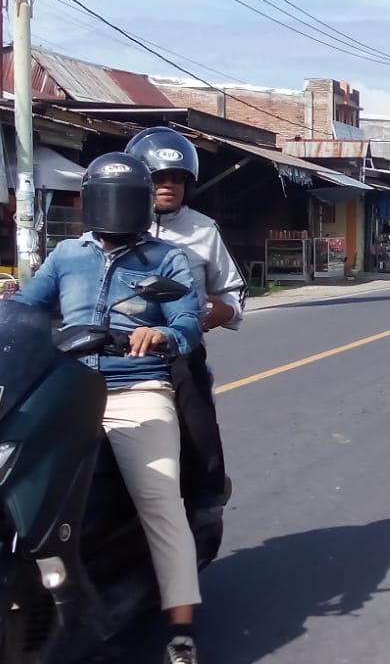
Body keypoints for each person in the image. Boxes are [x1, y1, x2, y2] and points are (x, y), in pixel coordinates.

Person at [13, 152, 206, 664]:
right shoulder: (65, 256)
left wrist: (160, 332)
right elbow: (26, 309)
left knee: (161, 501)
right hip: (63, 389)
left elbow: (187, 319)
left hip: (135, 393)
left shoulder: (166, 259)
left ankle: (181, 627)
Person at [126, 127, 244, 508]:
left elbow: (232, 293)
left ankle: (206, 500)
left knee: (197, 426)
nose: (169, 185)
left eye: (177, 178)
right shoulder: (111, 227)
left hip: (175, 349)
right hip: (113, 349)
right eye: (159, 177)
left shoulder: (203, 229)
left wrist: (216, 312)